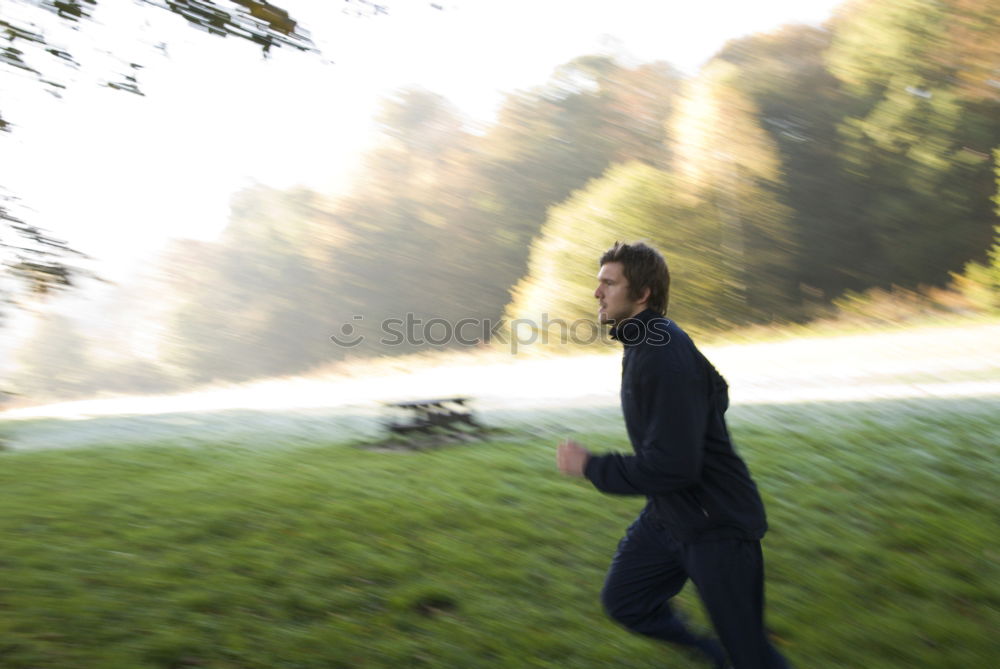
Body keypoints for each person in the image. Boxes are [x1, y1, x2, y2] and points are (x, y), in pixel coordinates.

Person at [556, 241, 790, 669]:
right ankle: (714, 655)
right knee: (626, 600)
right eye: (599, 283)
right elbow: (717, 388)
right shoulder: (648, 340)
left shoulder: (662, 353)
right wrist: (694, 420)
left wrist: (592, 466)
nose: (597, 293)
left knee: (750, 654)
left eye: (609, 283)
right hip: (671, 515)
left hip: (717, 523)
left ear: (642, 293)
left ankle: (733, 657)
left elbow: (674, 466)